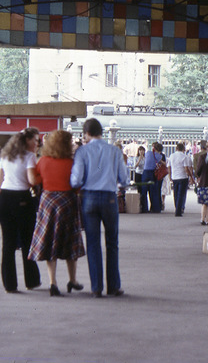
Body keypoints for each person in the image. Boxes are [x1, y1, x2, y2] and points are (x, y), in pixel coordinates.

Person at [70, 118, 128, 298]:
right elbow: (124, 179)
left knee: (93, 243)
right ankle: (114, 286)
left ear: (86, 133)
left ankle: (96, 287)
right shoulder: (114, 151)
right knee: (112, 243)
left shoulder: (82, 152)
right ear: (101, 132)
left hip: (89, 198)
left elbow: (76, 180)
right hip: (110, 198)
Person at [29, 130, 85, 297]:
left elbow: (36, 181)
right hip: (68, 202)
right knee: (70, 241)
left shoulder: (43, 161)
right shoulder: (72, 162)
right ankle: (72, 280)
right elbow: (77, 185)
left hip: (48, 203)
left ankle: (52, 282)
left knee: (50, 240)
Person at [0, 128, 41, 293]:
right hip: (22, 198)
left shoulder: (5, 156)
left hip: (5, 199)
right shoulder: (29, 157)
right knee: (27, 241)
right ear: (27, 141)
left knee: (7, 244)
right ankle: (31, 280)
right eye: (35, 140)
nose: (37, 144)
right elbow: (31, 180)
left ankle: (9, 284)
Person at [167, 142, 194, 218]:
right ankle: (179, 210)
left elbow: (169, 167)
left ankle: (177, 208)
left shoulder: (171, 156)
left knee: (175, 194)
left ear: (176, 148)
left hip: (174, 177)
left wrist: (170, 176)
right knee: (181, 194)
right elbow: (186, 169)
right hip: (183, 177)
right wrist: (191, 177)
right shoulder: (184, 157)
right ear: (183, 149)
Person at [141, 142, 165, 214]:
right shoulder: (159, 156)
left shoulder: (148, 152)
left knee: (144, 191)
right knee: (153, 191)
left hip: (145, 172)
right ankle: (155, 208)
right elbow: (162, 163)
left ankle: (144, 208)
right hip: (152, 173)